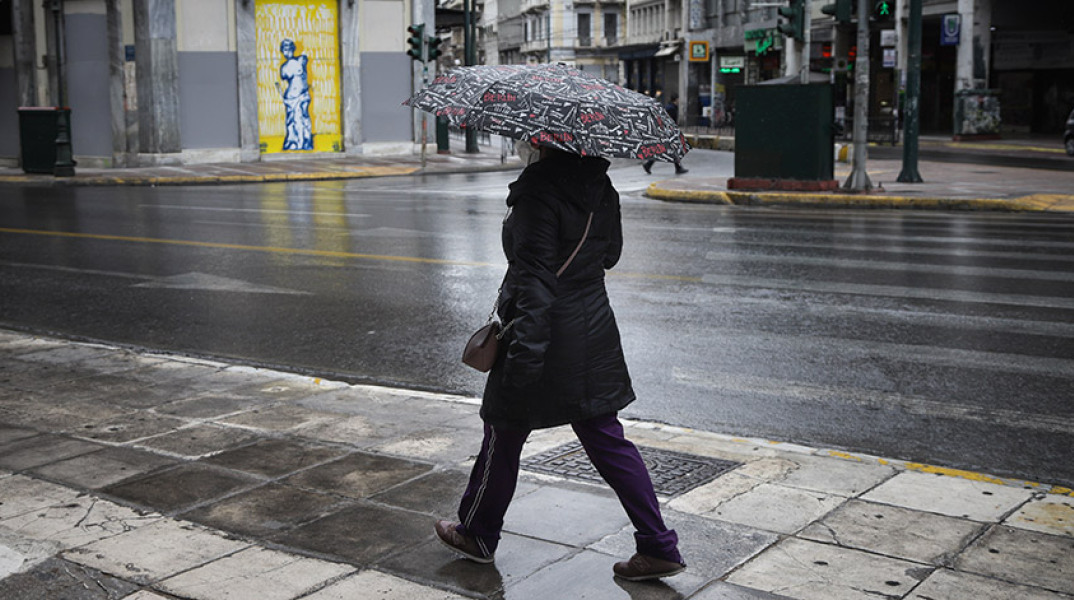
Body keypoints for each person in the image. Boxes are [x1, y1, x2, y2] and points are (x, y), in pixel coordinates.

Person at [435, 140, 686, 582]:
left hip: (543, 334)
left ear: (539, 141)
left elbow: (534, 284)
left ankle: (476, 533)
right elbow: (610, 255)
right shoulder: (600, 186)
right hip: (593, 328)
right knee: (607, 439)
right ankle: (658, 544)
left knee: (503, 430)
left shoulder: (537, 192)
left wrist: (524, 363)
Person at [279, 39, 313, 151]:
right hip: (292, 97)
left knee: (303, 118)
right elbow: (285, 75)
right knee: (293, 121)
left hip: (301, 95)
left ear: (293, 49)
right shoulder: (289, 65)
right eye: (284, 49)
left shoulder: (297, 62)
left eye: (288, 49)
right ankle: (295, 142)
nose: (286, 52)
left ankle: (304, 141)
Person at [643, 95, 688, 175]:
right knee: (670, 149)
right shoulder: (671, 108)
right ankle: (678, 168)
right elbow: (668, 120)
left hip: (666, 131)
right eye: (678, 100)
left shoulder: (670, 107)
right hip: (668, 132)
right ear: (675, 100)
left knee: (665, 150)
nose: (679, 102)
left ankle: (648, 165)